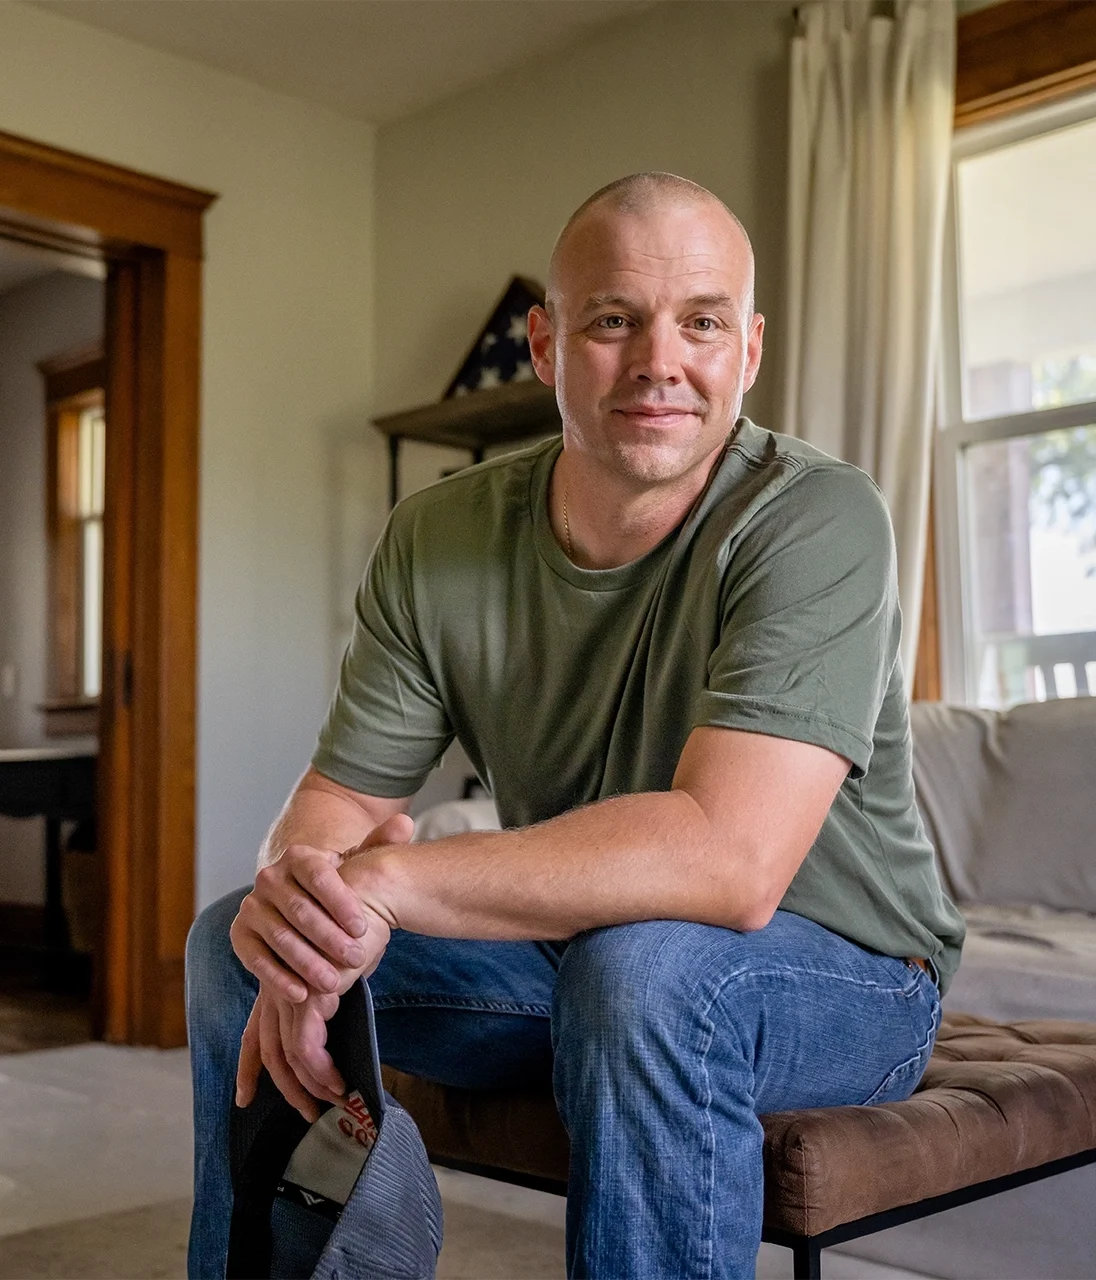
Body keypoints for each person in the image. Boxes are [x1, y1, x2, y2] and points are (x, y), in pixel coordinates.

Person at [186, 171, 965, 1280]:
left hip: (847, 972)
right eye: (614, 320)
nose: (659, 360)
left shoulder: (814, 515)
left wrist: (393, 884)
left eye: (699, 322)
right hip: (574, 951)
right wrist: (308, 915)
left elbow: (730, 859)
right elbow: (340, 809)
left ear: (745, 352)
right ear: (547, 347)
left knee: (644, 971)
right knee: (239, 943)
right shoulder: (438, 537)